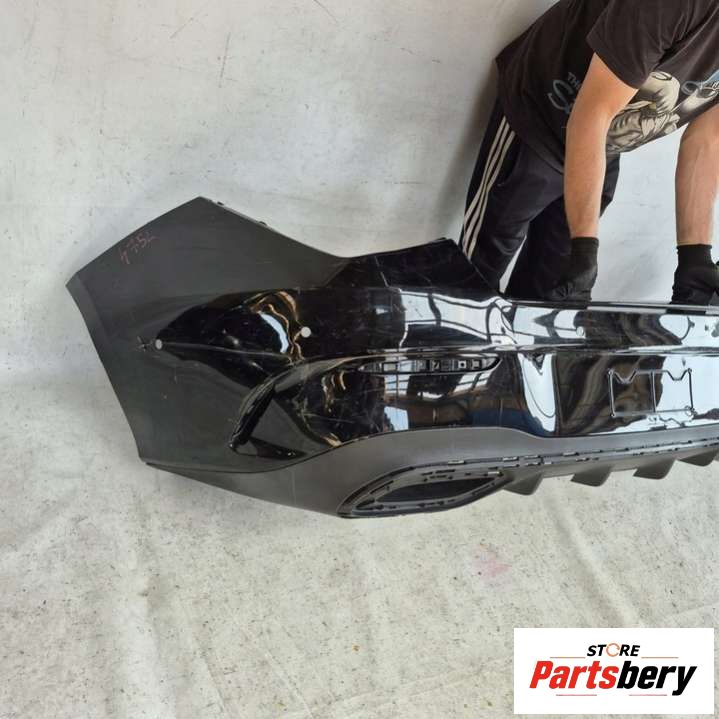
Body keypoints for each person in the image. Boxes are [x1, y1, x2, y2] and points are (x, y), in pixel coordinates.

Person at [461, 0, 719, 305]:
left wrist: (694, 256)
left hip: (604, 144)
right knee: (472, 280)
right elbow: (591, 115)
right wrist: (584, 246)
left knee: (553, 294)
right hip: (542, 113)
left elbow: (707, 139)